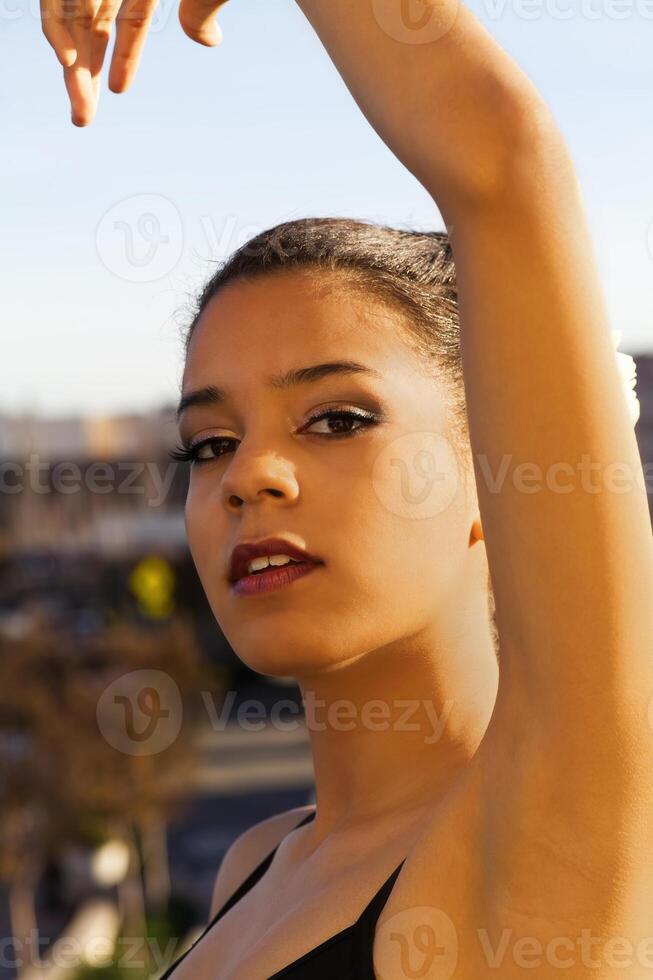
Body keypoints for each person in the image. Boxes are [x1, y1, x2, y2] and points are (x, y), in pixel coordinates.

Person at [42, 1, 653, 978]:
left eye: (335, 418)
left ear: (491, 472)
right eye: (208, 442)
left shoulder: (548, 826)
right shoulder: (258, 859)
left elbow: (505, 160)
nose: (249, 475)